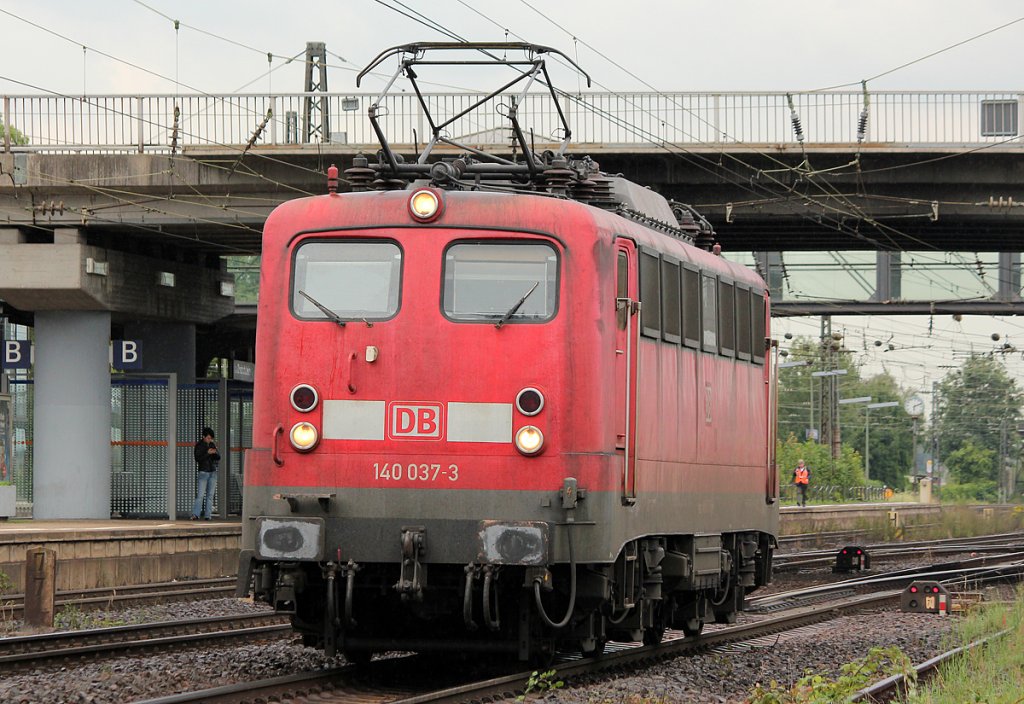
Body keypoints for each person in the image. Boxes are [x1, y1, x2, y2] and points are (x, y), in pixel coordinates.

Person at [192, 427, 221, 520]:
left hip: (212, 471)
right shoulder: (199, 445)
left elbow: (218, 457)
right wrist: (207, 453)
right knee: (200, 495)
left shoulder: (212, 444)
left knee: (210, 495)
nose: (210, 440)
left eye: (211, 438)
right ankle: (196, 514)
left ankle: (208, 515)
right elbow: (198, 458)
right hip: (203, 471)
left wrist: (214, 452)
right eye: (208, 438)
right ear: (204, 437)